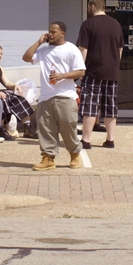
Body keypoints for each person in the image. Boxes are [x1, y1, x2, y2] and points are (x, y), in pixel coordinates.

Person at [23, 22, 86, 171]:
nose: (50, 34)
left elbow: (81, 72)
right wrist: (39, 42)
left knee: (68, 126)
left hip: (65, 96)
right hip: (46, 97)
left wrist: (61, 76)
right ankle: (48, 158)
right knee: (46, 128)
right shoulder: (44, 50)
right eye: (49, 32)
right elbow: (26, 58)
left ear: (62, 33)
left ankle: (74, 153)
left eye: (53, 32)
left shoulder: (71, 49)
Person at [77, 0, 124, 150]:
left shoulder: (88, 24)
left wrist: (80, 69)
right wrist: (114, 65)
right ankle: (110, 140)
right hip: (112, 72)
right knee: (110, 106)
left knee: (90, 106)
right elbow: (120, 49)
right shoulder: (116, 24)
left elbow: (83, 49)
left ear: (92, 7)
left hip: (93, 72)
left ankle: (86, 140)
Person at [0, 44, 35, 140]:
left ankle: (27, 128)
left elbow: (6, 83)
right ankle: (0, 129)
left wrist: (15, 86)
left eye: (1, 54)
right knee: (2, 99)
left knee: (20, 99)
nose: (0, 56)